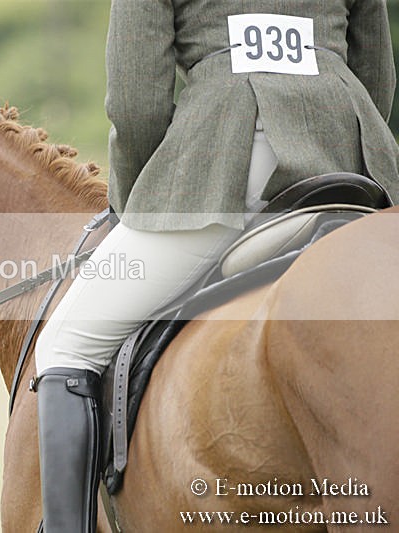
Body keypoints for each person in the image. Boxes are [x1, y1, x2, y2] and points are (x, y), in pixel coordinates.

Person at [33, 1, 399, 531]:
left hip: (227, 158)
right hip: (350, 157)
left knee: (67, 343)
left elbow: (136, 102)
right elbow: (376, 73)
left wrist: (140, 204)